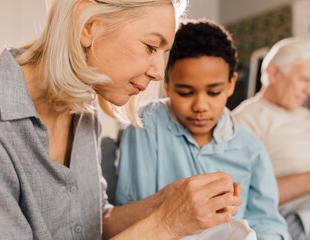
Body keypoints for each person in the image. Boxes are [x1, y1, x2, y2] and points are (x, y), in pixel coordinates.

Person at [0, 1, 243, 239]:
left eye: (162, 53)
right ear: (89, 27)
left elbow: (93, 222)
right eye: (151, 46)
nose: (157, 73)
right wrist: (166, 223)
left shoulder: (85, 111)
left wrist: (169, 199)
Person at [116, 19, 291, 240]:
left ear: (230, 84)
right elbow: (135, 215)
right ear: (167, 85)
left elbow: (269, 223)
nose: (200, 106)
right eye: (186, 92)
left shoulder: (250, 148)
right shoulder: (146, 124)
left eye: (214, 92)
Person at [233, 37, 310, 239]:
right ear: (275, 73)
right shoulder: (245, 120)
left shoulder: (309, 117)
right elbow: (240, 197)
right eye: (304, 80)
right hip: (303, 212)